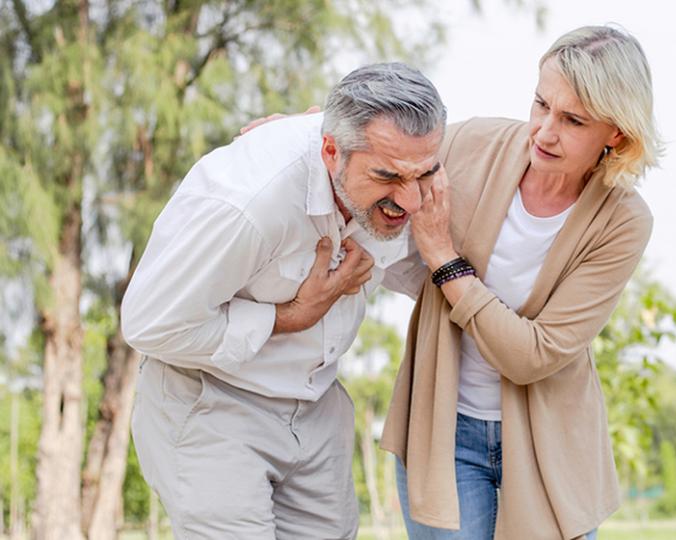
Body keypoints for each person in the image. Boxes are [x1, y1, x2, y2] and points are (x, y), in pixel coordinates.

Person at [120, 62, 446, 539]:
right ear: (331, 150)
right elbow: (150, 324)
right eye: (388, 177)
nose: (412, 200)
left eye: (424, 174)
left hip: (316, 407)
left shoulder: (402, 163)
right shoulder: (247, 203)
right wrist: (290, 316)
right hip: (213, 406)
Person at [381, 25, 661, 540]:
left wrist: (444, 259)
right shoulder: (474, 143)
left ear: (616, 133)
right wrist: (304, 129)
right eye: (541, 105)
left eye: (573, 120)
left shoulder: (623, 221)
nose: (544, 131)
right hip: (446, 431)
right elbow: (381, 144)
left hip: (548, 444)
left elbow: (533, 355)